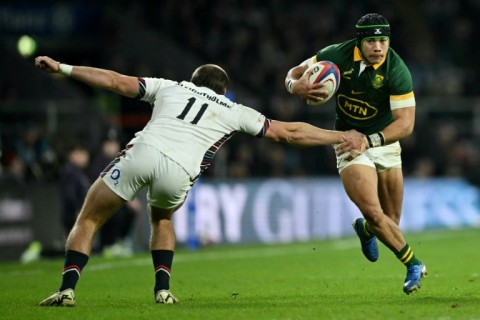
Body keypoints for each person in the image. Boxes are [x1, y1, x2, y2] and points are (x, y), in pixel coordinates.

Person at [34, 55, 365, 306]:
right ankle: (162, 290)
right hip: (180, 171)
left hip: (144, 152)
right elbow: (290, 132)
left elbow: (115, 81)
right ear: (224, 90)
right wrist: (340, 135)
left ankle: (67, 289)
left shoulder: (169, 86)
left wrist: (63, 68)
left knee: (89, 217)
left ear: (192, 80)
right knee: (162, 217)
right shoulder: (234, 109)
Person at [285, 13, 426, 295]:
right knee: (375, 213)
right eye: (371, 41)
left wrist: (371, 139)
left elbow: (406, 124)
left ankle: (365, 230)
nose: (378, 47)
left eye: (383, 41)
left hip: (383, 141)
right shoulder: (335, 54)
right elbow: (293, 73)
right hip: (348, 142)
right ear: (359, 42)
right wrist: (293, 85)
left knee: (391, 220)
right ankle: (414, 265)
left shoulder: (397, 70)